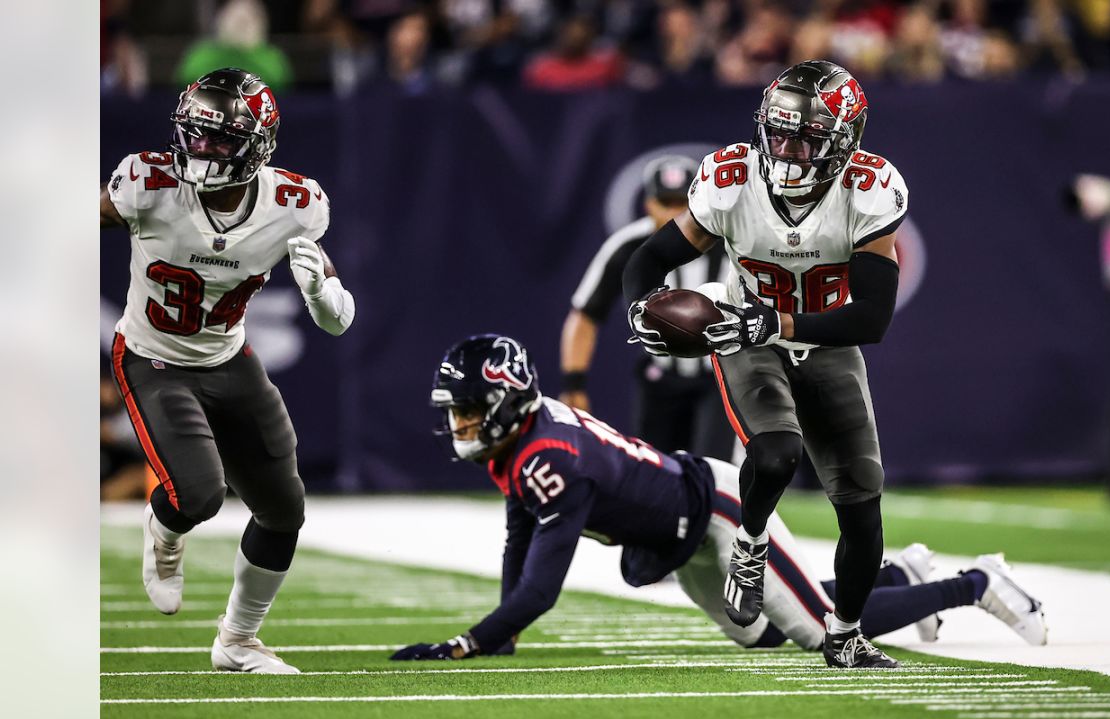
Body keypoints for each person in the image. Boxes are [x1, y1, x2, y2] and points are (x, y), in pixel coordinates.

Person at [389, 335, 1046, 662]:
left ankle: (978, 582)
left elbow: (541, 588)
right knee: (759, 634)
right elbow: (520, 533)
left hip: (717, 509)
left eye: (473, 410)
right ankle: (899, 575)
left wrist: (471, 643)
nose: (463, 424)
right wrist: (501, 637)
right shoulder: (527, 441)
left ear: (508, 405)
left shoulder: (551, 458)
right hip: (678, 533)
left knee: (822, 631)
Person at [621, 60, 907, 667]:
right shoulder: (733, 181)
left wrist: (778, 321)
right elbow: (647, 262)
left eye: (804, 137)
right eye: (777, 133)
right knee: (776, 452)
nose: (786, 150)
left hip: (826, 341)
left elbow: (873, 318)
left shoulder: (869, 188)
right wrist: (643, 308)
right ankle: (751, 543)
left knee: (861, 502)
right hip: (748, 339)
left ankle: (846, 634)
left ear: (843, 140)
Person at [100, 68, 356, 674]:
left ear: (257, 143)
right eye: (195, 135)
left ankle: (237, 642)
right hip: (152, 356)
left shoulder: (293, 205)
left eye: (220, 140)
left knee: (283, 509)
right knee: (198, 494)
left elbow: (339, 322)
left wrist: (321, 292)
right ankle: (164, 531)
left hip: (228, 358)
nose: (202, 150)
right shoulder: (149, 184)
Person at [561, 154, 733, 461]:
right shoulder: (629, 246)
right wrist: (574, 383)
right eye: (665, 203)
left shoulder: (732, 240)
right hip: (661, 377)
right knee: (654, 470)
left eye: (681, 203)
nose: (673, 213)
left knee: (713, 469)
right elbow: (585, 314)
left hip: (720, 375)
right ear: (649, 204)